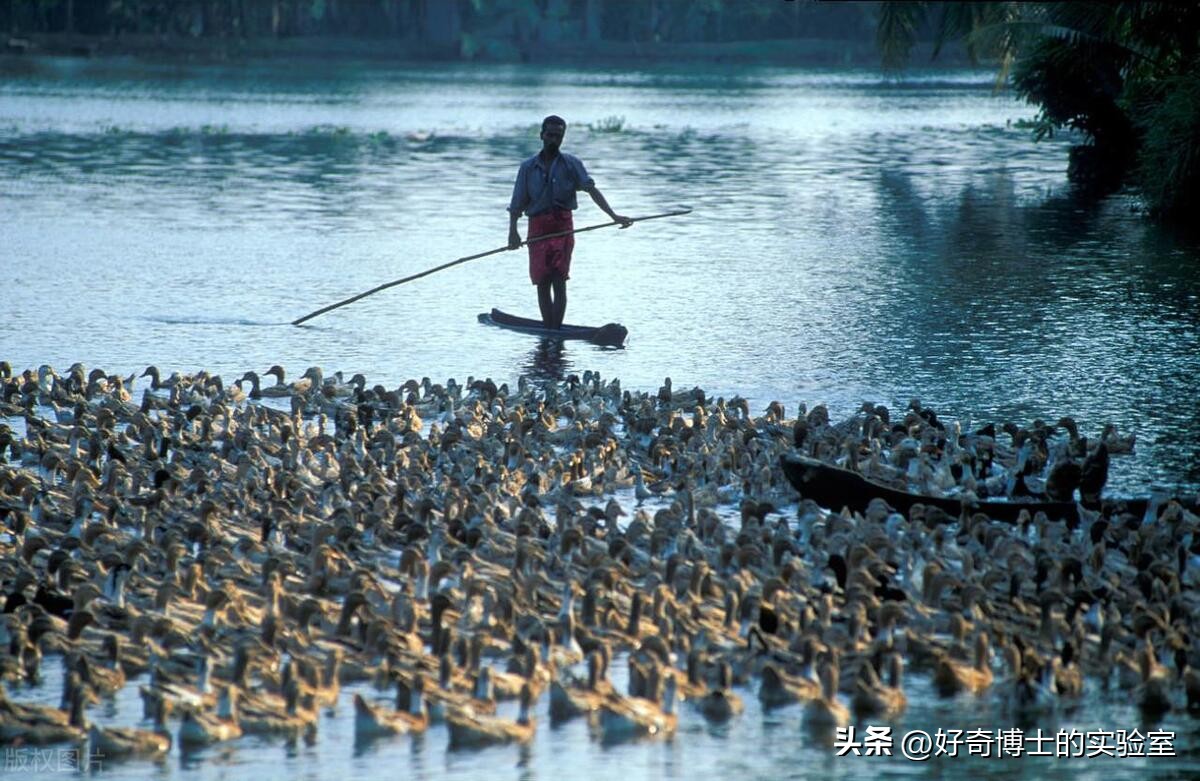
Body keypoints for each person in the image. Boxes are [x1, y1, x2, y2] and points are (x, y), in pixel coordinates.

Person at [507, 115, 631, 329]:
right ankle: (549, 330)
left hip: (562, 226)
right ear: (542, 136)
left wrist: (615, 216)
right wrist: (513, 232)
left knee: (559, 279)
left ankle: (555, 329)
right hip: (537, 227)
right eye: (550, 135)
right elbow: (517, 203)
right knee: (542, 281)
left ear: (562, 138)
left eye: (558, 136)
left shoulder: (572, 164)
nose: (554, 140)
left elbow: (591, 190)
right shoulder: (527, 167)